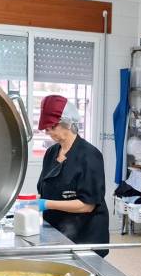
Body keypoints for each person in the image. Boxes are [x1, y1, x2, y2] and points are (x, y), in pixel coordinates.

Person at [34, 95, 110, 257]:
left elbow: (87, 205)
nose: (48, 132)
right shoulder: (51, 153)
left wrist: (46, 204)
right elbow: (44, 188)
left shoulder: (90, 156)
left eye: (52, 127)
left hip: (86, 235)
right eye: (46, 129)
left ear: (67, 124)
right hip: (58, 231)